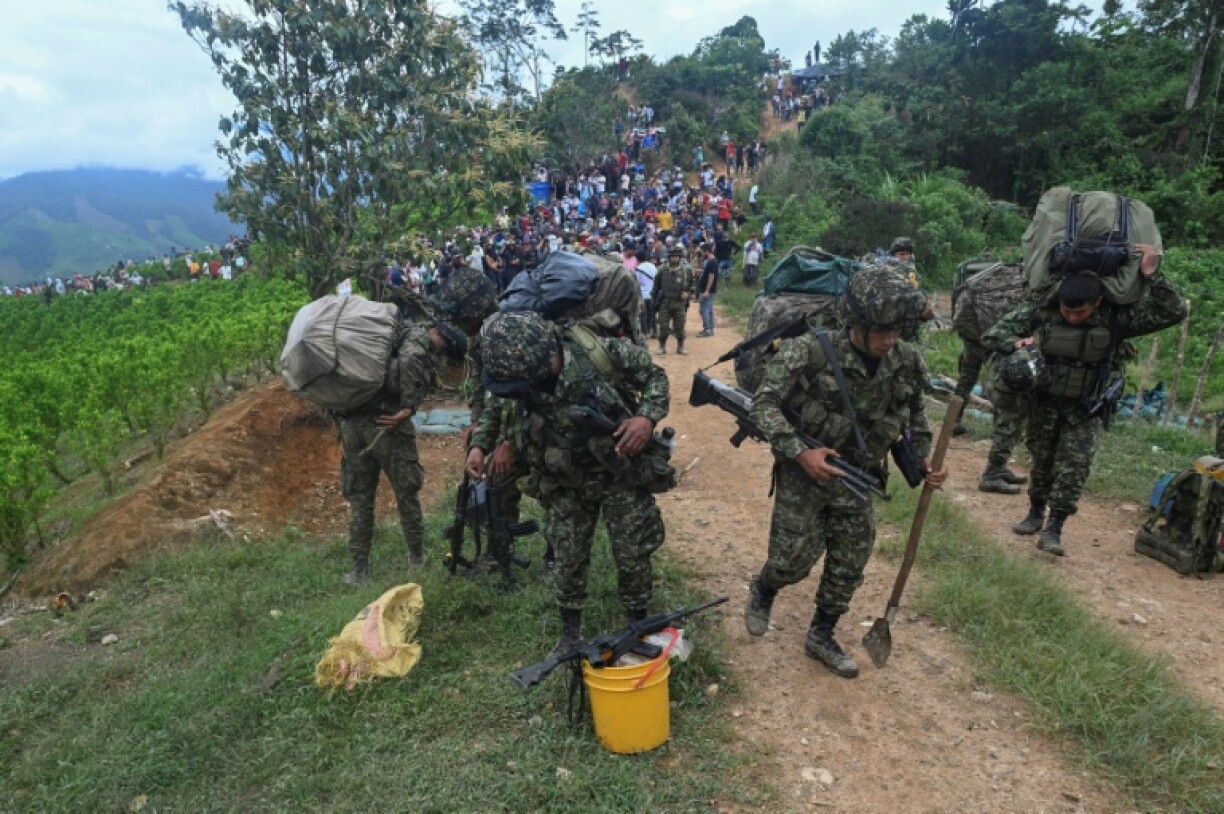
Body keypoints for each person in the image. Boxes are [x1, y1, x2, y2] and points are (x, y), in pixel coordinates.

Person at [743, 266, 947, 677]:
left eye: (897, 331)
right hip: (807, 472)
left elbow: (914, 413)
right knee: (791, 561)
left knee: (849, 561)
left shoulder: (905, 359)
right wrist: (800, 453)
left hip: (859, 474)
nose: (890, 340)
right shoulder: (810, 350)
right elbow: (762, 404)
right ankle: (765, 587)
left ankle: (822, 634)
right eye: (881, 331)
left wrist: (922, 456)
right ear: (856, 322)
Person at [466, 312, 672, 657]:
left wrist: (646, 418)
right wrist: (480, 444)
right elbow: (499, 406)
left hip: (619, 471)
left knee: (633, 550)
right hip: (563, 479)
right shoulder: (517, 373)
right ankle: (569, 633)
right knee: (567, 554)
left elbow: (656, 377)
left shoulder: (603, 353)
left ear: (546, 360)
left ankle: (638, 622)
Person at [982, 248, 1186, 556]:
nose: (1072, 317)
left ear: (1098, 302)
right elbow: (993, 334)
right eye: (1067, 311)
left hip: (1085, 407)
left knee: (1075, 467)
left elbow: (1173, 310)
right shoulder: (1044, 308)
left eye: (1080, 312)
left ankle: (1055, 527)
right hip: (1044, 402)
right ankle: (1036, 512)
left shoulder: (1116, 318)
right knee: (1043, 462)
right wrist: (1015, 342)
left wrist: (1152, 274)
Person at [338, 312, 470, 585]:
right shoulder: (415, 339)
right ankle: (417, 557)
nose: (442, 348)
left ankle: (358, 570)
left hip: (352, 424)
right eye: (444, 342)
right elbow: (410, 359)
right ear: (436, 331)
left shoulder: (387, 336)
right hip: (387, 424)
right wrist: (409, 406)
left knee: (361, 499)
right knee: (406, 492)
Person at [654, 244, 695, 355]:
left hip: (679, 303)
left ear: (680, 257)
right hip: (665, 302)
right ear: (669, 257)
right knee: (663, 326)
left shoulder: (687, 270)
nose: (674, 258)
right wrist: (654, 301)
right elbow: (656, 286)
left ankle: (680, 347)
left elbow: (693, 283)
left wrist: (689, 293)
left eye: (676, 256)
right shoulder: (662, 269)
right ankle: (662, 347)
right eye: (672, 256)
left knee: (680, 326)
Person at [697, 243, 718, 337]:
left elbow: (711, 277)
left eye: (702, 251)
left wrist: (707, 290)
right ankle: (710, 328)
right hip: (708, 290)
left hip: (707, 290)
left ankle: (707, 329)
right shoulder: (711, 261)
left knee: (703, 309)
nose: (701, 253)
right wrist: (701, 271)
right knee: (708, 309)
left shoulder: (712, 262)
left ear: (706, 251)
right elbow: (709, 273)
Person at [635, 248, 658, 336]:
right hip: (652, 294)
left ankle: (645, 332)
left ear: (637, 259)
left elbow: (637, 282)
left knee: (643, 315)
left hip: (643, 295)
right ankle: (655, 331)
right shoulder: (653, 266)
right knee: (652, 314)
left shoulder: (638, 268)